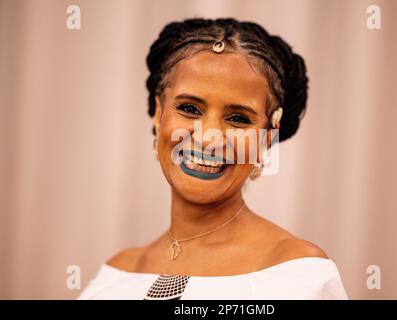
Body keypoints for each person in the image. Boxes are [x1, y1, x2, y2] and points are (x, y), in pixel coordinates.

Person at [78, 18, 348, 300]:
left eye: (237, 118)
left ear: (267, 138)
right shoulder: (118, 272)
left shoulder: (296, 273)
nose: (209, 138)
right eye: (189, 108)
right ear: (159, 116)